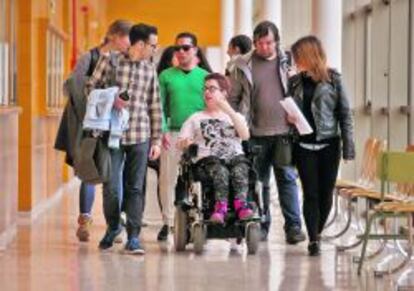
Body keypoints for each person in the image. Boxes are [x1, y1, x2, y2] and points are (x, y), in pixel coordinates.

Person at [85, 23, 162, 254]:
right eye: (153, 46)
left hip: (140, 135)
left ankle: (134, 237)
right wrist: (112, 98)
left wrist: (156, 140)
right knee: (110, 186)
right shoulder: (110, 61)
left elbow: (155, 105)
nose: (154, 50)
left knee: (135, 187)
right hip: (112, 134)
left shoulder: (150, 69)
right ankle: (113, 226)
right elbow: (89, 88)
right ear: (139, 44)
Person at [54, 19, 132, 242]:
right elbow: (74, 87)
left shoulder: (124, 61)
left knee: (114, 174)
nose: (129, 43)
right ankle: (84, 221)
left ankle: (114, 224)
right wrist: (101, 97)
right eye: (127, 38)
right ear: (115, 36)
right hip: (87, 125)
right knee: (88, 171)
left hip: (114, 126)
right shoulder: (90, 58)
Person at [228, 21, 305, 243]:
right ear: (254, 43)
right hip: (256, 134)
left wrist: (298, 116)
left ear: (276, 41)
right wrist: (236, 124)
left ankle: (293, 227)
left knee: (287, 179)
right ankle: (260, 225)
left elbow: (301, 94)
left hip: (284, 133)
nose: (264, 47)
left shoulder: (288, 61)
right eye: (260, 43)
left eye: (268, 42)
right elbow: (234, 98)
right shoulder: (243, 64)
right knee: (259, 182)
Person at [288, 35, 355, 256]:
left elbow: (345, 114)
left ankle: (316, 231)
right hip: (303, 145)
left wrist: (348, 147)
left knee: (326, 193)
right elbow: (290, 109)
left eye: (298, 56)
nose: (295, 60)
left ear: (309, 55)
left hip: (329, 145)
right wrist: (289, 118)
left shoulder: (334, 79)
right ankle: (314, 239)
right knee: (310, 193)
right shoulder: (295, 82)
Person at [156, 32, 211, 241]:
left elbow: (211, 105)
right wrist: (161, 131)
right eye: (177, 48)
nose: (181, 52)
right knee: (167, 179)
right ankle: (168, 222)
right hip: (173, 133)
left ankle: (200, 218)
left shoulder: (205, 77)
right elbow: (159, 106)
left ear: (195, 50)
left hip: (199, 135)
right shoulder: (166, 76)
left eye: (186, 48)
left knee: (201, 178)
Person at [177, 73, 253, 223]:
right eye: (205, 89)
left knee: (240, 168)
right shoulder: (195, 118)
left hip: (235, 158)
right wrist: (185, 143)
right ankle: (220, 207)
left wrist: (228, 110)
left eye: (212, 89)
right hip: (208, 162)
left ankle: (241, 205)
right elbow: (180, 143)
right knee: (221, 170)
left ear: (224, 93)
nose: (207, 92)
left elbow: (245, 136)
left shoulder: (235, 116)